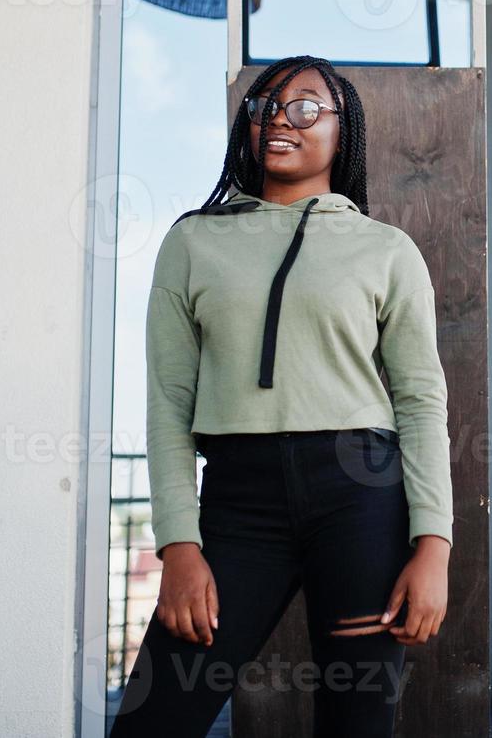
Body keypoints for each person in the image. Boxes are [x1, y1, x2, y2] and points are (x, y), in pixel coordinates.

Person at [109, 55, 454, 737]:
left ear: (342, 130)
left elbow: (419, 401)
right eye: (264, 106)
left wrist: (432, 547)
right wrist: (178, 543)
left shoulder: (385, 249)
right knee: (154, 720)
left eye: (304, 107)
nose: (278, 120)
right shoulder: (192, 240)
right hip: (239, 504)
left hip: (362, 499)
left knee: (356, 724)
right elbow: (168, 402)